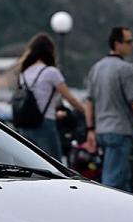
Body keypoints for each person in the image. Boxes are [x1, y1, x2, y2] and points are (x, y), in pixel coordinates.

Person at [84, 26, 133, 191]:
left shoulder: (96, 68)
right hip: (120, 131)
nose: (132, 45)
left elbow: (89, 102)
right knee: (112, 180)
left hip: (101, 131)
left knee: (123, 177)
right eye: (128, 42)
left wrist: (90, 129)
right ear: (117, 44)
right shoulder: (125, 69)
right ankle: (107, 212)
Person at [13, 33, 86, 162]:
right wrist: (86, 111)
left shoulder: (23, 72)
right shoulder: (51, 72)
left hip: (25, 125)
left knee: (31, 164)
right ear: (50, 51)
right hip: (45, 124)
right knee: (53, 163)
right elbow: (70, 99)